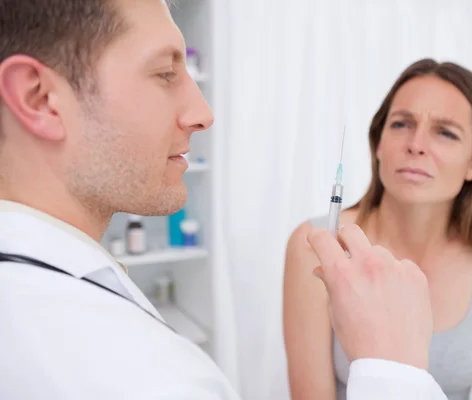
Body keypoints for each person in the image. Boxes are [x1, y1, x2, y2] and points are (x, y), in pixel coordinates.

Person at [0, 0, 449, 399]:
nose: (203, 114)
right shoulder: (151, 380)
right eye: (164, 74)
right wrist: (394, 370)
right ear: (39, 98)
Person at [283, 59, 472, 400]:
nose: (416, 144)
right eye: (401, 124)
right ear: (379, 145)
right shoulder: (317, 244)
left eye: (445, 132)